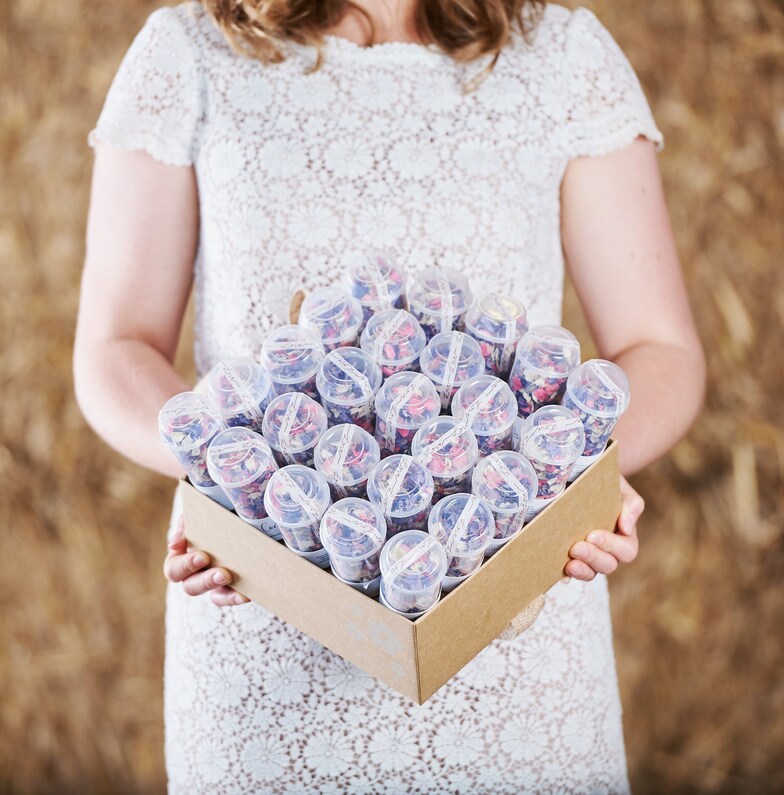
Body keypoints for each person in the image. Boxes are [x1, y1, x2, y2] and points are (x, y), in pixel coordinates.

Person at [73, 0, 705, 791]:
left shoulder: (562, 53)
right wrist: (230, 481)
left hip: (512, 621)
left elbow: (660, 347)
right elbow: (115, 344)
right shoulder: (190, 50)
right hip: (269, 622)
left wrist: (578, 480)